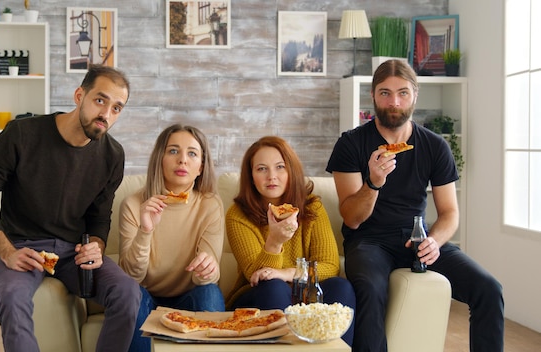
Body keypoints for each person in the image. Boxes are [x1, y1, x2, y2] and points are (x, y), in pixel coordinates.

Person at [326, 59, 504, 351]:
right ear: (372, 95)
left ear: (415, 95)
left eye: (402, 93)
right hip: (369, 241)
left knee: (488, 289)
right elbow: (352, 218)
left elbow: (449, 213)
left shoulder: (435, 146)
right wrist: (374, 182)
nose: (393, 102)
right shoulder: (351, 144)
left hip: (418, 238)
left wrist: (435, 241)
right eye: (384, 93)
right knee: (370, 289)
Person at [0, 64, 141, 352]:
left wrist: (95, 246)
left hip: (74, 252)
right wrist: (7, 252)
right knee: (11, 296)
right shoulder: (21, 134)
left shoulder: (112, 155)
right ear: (79, 95)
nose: (106, 115)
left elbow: (99, 218)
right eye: (100, 100)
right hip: (22, 246)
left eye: (117, 108)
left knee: (127, 291)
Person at [225, 136, 356, 346]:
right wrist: (274, 242)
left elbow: (330, 266)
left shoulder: (312, 208)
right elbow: (255, 275)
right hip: (257, 296)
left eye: (280, 167)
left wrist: (286, 273)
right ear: (250, 176)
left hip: (305, 295)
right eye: (261, 169)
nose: (272, 176)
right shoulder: (238, 215)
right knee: (274, 286)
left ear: (291, 171)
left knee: (341, 287)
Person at [119, 124, 225, 351]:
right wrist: (145, 230)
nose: (182, 160)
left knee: (210, 293)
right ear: (160, 159)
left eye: (192, 153)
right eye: (173, 151)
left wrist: (209, 269)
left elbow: (206, 278)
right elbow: (132, 276)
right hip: (146, 294)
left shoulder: (210, 205)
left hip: (189, 295)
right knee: (131, 294)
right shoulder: (133, 204)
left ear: (201, 168)